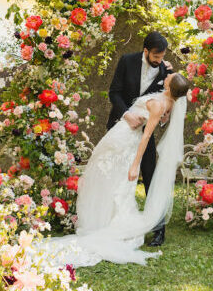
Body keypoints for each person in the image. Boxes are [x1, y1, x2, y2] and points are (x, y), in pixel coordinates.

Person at [39, 73, 190, 267]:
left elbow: (146, 137)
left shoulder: (160, 104)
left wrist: (135, 165)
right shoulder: (168, 100)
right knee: (103, 176)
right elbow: (163, 113)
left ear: (170, 87)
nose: (168, 75)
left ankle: (108, 223)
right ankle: (102, 219)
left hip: (124, 141)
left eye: (171, 76)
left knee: (114, 180)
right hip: (120, 135)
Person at [106, 31, 173, 247]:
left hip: (146, 133)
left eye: (162, 57)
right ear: (146, 51)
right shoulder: (127, 61)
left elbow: (165, 105)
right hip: (121, 127)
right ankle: (111, 223)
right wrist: (127, 115)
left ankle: (158, 229)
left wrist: (163, 117)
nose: (159, 61)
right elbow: (114, 92)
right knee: (116, 177)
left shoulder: (165, 71)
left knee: (151, 176)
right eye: (155, 57)